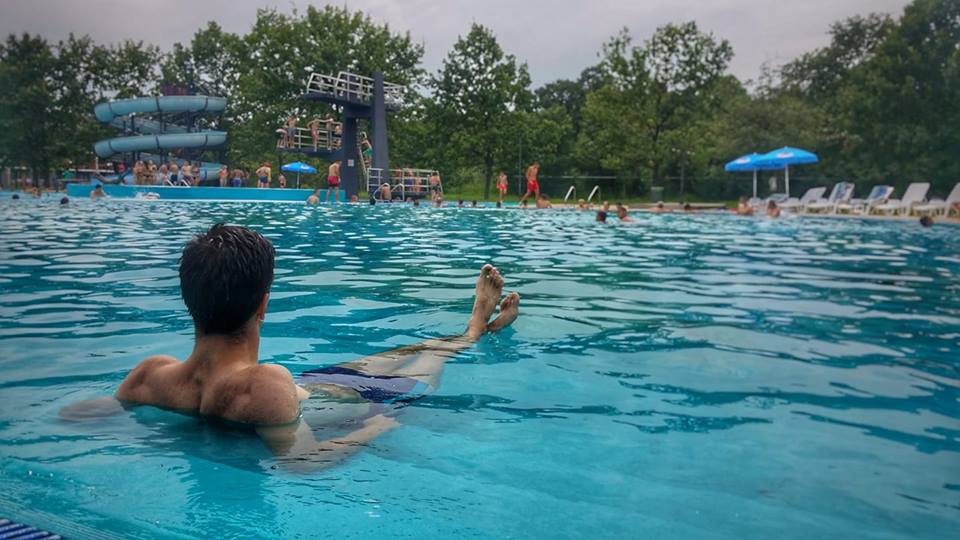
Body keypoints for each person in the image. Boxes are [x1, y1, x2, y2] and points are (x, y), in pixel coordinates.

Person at [59, 224, 520, 472]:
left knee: (388, 357)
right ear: (263, 304)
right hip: (324, 398)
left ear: (188, 299)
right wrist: (381, 424)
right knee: (419, 371)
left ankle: (468, 328)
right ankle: (471, 333)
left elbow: (76, 416)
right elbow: (305, 462)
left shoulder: (149, 376)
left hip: (310, 390)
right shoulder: (262, 384)